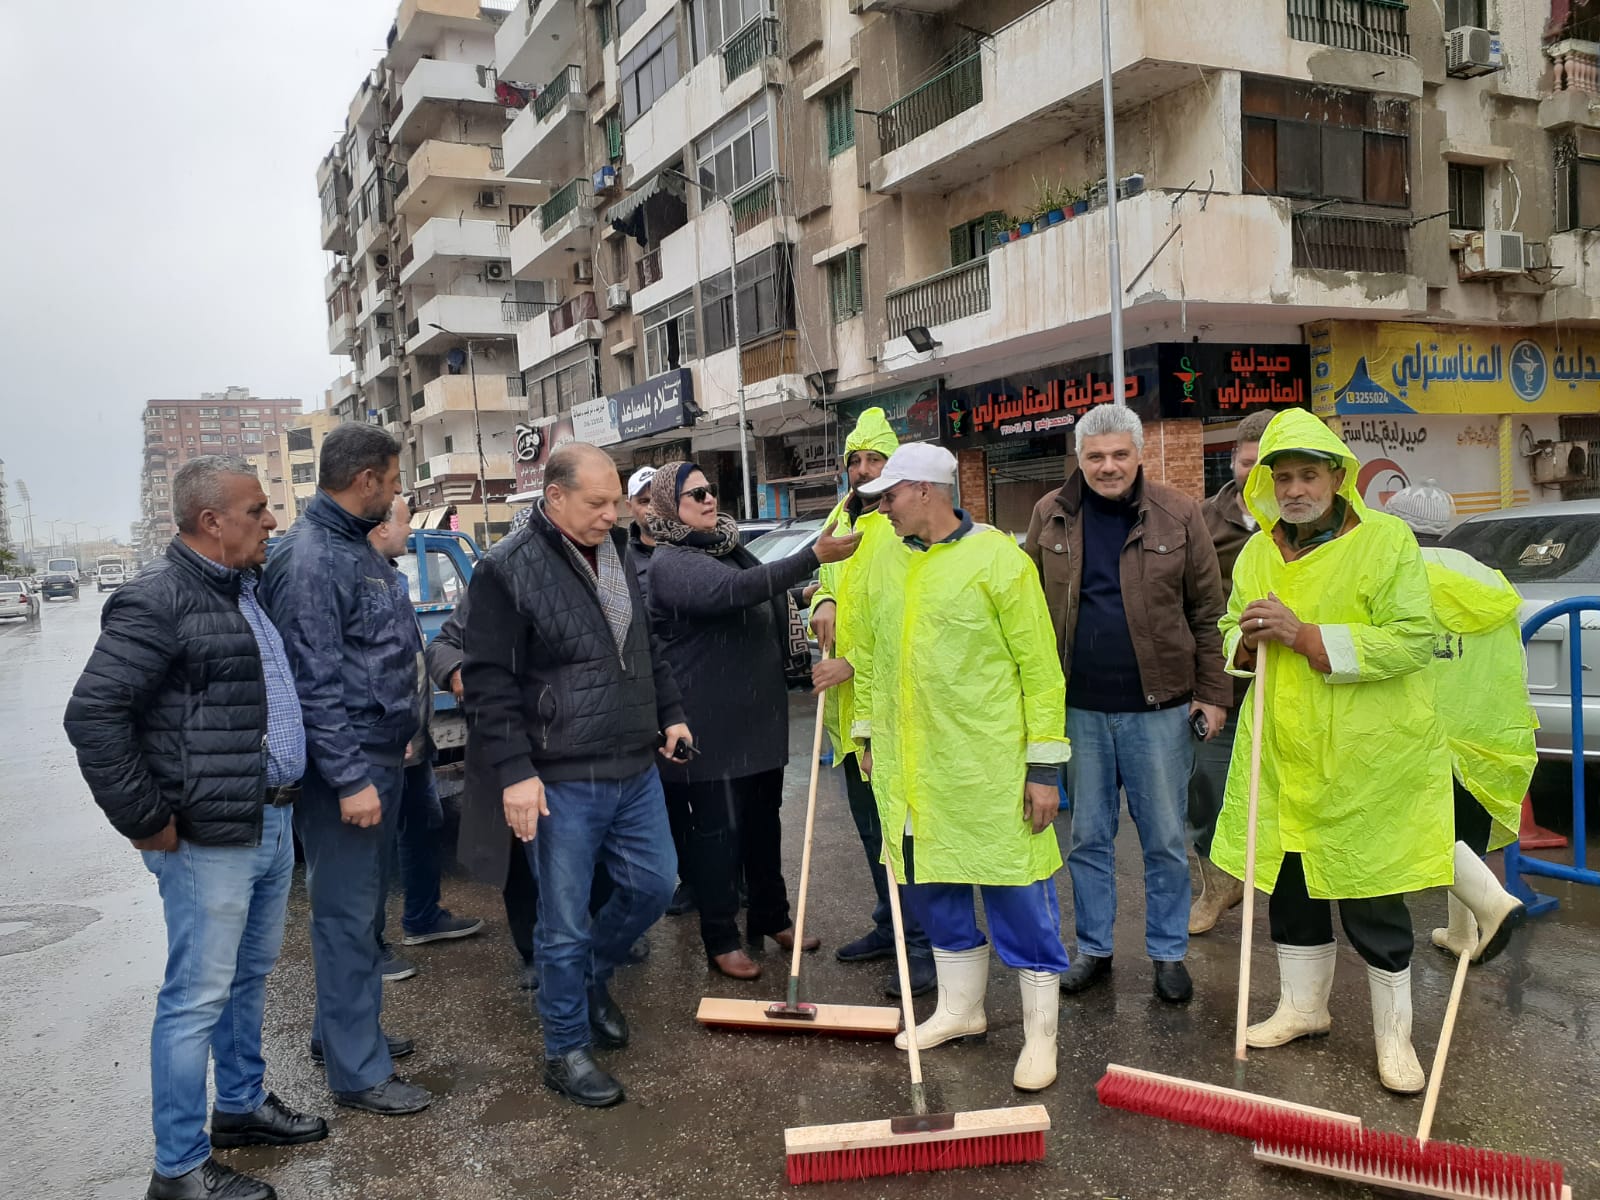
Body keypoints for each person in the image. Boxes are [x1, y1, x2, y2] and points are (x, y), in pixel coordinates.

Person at [64, 456, 326, 1200]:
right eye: (257, 509)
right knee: (194, 998)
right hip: (206, 837)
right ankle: (177, 1171)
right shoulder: (157, 599)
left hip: (269, 819)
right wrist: (146, 819)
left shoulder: (243, 589)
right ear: (212, 521)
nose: (271, 520)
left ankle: (239, 1108)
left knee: (248, 978)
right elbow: (93, 715)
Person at [1210, 409, 1454, 1094]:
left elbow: (1411, 640)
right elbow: (1229, 627)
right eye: (1281, 477)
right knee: (1291, 890)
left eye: (1307, 475)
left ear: (1337, 478)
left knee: (1372, 895)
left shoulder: (1387, 542)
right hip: (1282, 754)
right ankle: (1302, 1007)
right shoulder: (1259, 551)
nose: (1294, 489)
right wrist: (1246, 642)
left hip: (1364, 759)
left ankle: (1393, 1036)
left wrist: (1307, 634)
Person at [464, 442, 690, 1109]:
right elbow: (488, 684)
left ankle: (590, 977)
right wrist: (514, 773)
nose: (612, 513)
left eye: (616, 499)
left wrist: (671, 713)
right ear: (554, 496)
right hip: (559, 777)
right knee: (560, 922)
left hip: (633, 762)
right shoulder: (505, 569)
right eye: (597, 503)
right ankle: (564, 1048)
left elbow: (644, 644)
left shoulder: (616, 548)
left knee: (653, 887)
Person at [849, 443, 1072, 1092]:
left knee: (1018, 900)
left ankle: (1040, 1036)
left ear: (926, 491)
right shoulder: (885, 559)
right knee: (934, 896)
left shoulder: (999, 560)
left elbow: (1040, 670)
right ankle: (960, 1009)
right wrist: (865, 730)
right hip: (913, 775)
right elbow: (870, 650)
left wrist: (1044, 770)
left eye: (889, 495)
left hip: (988, 771)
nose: (881, 507)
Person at [1024, 404, 1229, 1005]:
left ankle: (1168, 954)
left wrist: (1214, 695)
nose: (1107, 467)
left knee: (1164, 838)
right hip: (1078, 710)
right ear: (1078, 459)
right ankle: (1095, 949)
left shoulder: (1179, 514)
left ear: (1139, 454)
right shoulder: (1049, 515)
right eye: (1095, 457)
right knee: (1088, 836)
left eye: (1118, 455)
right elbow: (1027, 614)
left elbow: (1208, 615)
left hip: (1160, 709)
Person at [259, 423, 431, 1116]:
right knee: (345, 916)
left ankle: (342, 1035)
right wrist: (354, 777)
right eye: (391, 483)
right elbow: (314, 681)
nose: (395, 495)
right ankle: (359, 1073)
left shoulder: (347, 546)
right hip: (349, 768)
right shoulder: (311, 559)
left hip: (376, 754)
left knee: (356, 914)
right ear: (365, 481)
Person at [646, 463, 859, 979]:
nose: (707, 498)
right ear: (668, 505)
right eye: (694, 493)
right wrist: (811, 557)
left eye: (711, 489)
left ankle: (772, 917)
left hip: (757, 718)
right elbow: (736, 592)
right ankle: (722, 937)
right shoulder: (670, 561)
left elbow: (767, 590)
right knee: (718, 836)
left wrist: (816, 591)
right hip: (708, 725)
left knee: (765, 827)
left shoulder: (727, 545)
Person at [807, 409, 934, 999]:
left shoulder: (900, 528)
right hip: (844, 712)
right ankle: (890, 925)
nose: (861, 471)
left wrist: (855, 663)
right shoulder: (841, 517)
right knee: (867, 829)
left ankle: (927, 946)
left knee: (904, 832)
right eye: (854, 461)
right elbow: (827, 586)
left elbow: (904, 619)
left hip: (888, 709)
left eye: (873, 460)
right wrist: (820, 606)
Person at [1384, 480, 1533, 963]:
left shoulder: (1394, 571)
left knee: (1422, 825)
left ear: (1395, 523)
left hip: (1416, 720)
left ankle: (1494, 905)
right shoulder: (1486, 576)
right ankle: (1462, 934)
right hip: (1480, 725)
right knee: (1462, 825)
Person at [366, 497, 482, 981]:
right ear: (377, 526)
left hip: (412, 733)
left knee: (424, 821)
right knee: (370, 850)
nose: (409, 529)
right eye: (403, 520)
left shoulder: (388, 575)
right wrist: (394, 730)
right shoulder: (360, 581)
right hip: (387, 738)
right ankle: (367, 949)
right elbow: (368, 670)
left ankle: (422, 916)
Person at [1189, 408, 1275, 935]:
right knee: (1203, 788)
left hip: (1292, 677)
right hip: (1221, 682)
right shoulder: (1201, 520)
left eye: (1269, 461)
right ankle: (1217, 885)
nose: (1257, 471)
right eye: (1248, 462)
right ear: (1234, 461)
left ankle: (1301, 896)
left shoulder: (1309, 521)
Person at [626, 463, 694, 917]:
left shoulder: (694, 550)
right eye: (643, 500)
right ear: (630, 508)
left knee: (713, 793)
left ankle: (733, 878)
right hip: (655, 695)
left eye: (658, 498)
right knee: (671, 792)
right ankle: (688, 877)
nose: (651, 508)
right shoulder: (620, 560)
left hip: (698, 683)